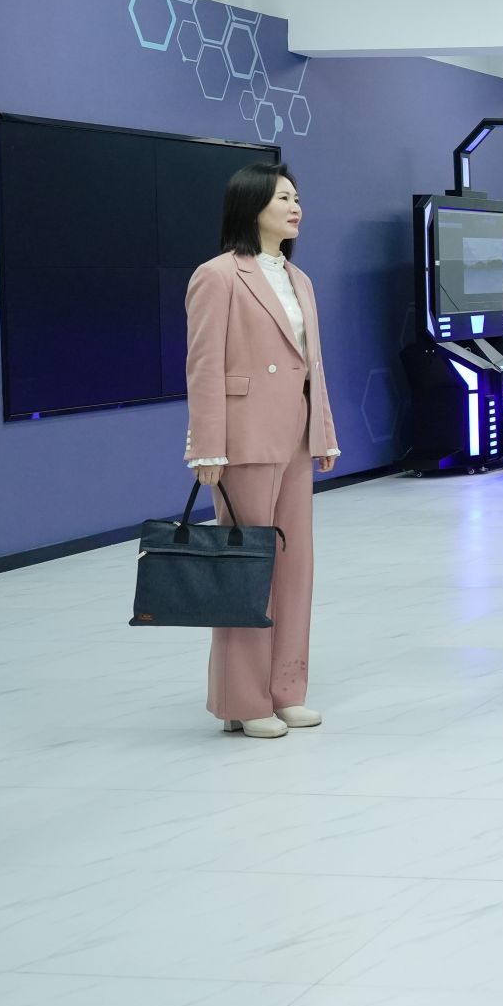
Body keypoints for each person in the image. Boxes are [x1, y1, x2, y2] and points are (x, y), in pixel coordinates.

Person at [183, 163, 340, 739]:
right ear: (251, 206)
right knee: (248, 570)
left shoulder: (299, 279)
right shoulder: (217, 275)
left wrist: (323, 431)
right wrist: (206, 446)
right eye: (282, 198)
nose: (295, 207)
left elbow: (312, 366)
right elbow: (204, 367)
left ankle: (285, 690)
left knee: (295, 567)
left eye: (297, 197)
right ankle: (243, 698)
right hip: (244, 441)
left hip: (294, 436)